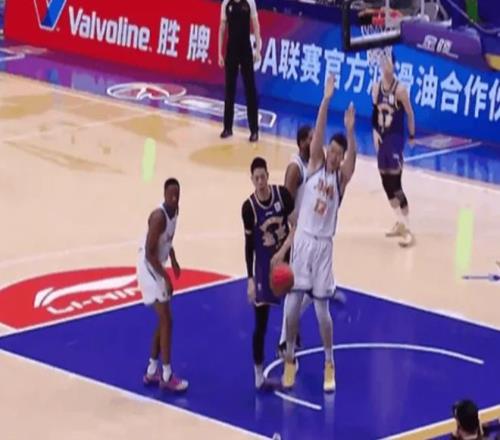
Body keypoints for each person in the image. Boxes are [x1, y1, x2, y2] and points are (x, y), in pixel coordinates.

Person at [282, 75, 357, 393]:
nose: (335, 156)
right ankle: (289, 358)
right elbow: (318, 133)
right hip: (302, 240)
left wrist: (350, 131)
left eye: (340, 153)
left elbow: (352, 163)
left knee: (322, 311)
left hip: (324, 246)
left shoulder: (341, 180)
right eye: (333, 151)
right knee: (291, 305)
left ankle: (329, 362)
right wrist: (326, 100)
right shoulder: (314, 164)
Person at [241, 157, 294, 389]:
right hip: (264, 269)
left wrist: (283, 252)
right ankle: (258, 376)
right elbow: (248, 246)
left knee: (293, 314)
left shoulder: (282, 195)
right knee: (261, 324)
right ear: (252, 180)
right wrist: (250, 279)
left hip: (286, 264)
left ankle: (290, 357)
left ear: (268, 176)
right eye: (257, 178)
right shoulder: (249, 208)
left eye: (263, 177)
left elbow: (296, 226)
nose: (261, 182)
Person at [138, 178, 188, 392]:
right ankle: (166, 375)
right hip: (148, 266)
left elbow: (167, 239)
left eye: (177, 194)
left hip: (157, 265)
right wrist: (165, 277)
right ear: (164, 194)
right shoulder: (158, 217)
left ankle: (151, 371)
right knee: (167, 319)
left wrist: (174, 259)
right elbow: (149, 253)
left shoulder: (175, 211)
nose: (174, 198)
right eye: (171, 195)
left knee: (164, 319)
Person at [372, 53, 416, 247]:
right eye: (383, 61)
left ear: (394, 65)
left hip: (396, 140)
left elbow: (410, 113)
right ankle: (399, 222)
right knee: (385, 184)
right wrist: (374, 133)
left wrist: (412, 135)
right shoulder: (376, 87)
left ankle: (408, 229)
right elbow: (374, 113)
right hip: (382, 141)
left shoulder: (400, 90)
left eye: (389, 61)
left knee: (396, 185)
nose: (386, 64)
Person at [218, 0, 262, 142]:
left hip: (246, 51)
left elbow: (256, 26)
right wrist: (219, 53)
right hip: (231, 51)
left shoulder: (249, 2)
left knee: (250, 90)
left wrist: (258, 49)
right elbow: (222, 28)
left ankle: (254, 130)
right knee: (229, 90)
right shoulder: (226, 3)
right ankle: (227, 128)